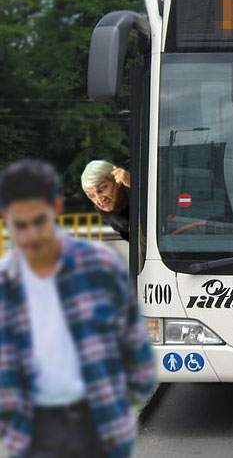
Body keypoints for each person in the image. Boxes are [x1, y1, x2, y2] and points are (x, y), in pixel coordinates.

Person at [0, 159, 155, 458]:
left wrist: (134, 182)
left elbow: (159, 207)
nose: (99, 198)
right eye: (92, 195)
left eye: (103, 189)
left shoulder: (132, 192)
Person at [81, 160, 130, 241]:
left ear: (118, 181)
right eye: (91, 196)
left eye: (102, 189)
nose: (99, 200)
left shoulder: (132, 181)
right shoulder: (105, 212)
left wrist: (136, 184)